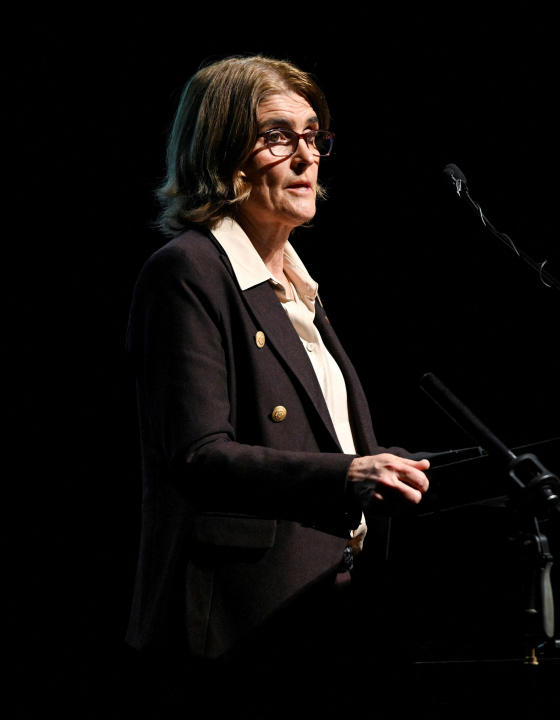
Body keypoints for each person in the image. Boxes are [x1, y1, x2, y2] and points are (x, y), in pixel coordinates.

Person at [124, 55, 430, 716]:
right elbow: (200, 455)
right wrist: (347, 475)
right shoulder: (189, 271)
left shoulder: (298, 286)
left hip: (330, 611)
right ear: (221, 152)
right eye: (276, 136)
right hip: (243, 624)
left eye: (313, 135)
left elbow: (328, 441)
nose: (305, 156)